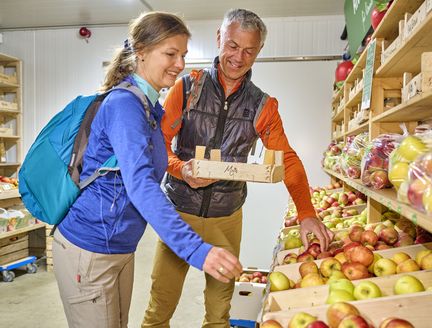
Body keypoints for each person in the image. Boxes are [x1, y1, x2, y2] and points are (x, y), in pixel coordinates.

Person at [142, 8, 334, 328]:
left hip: (227, 217)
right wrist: (181, 169)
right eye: (232, 45)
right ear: (219, 39)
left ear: (258, 51)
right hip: (179, 213)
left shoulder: (262, 105)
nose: (238, 57)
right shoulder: (187, 89)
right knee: (161, 303)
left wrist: (306, 212)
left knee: (219, 310)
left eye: (248, 50)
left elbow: (286, 158)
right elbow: (158, 145)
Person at [51, 11, 242, 328]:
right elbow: (141, 185)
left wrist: (184, 170)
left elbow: (147, 175)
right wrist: (195, 249)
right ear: (140, 52)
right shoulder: (125, 106)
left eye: (182, 54)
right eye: (170, 53)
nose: (180, 64)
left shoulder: (148, 107)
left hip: (119, 248)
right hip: (89, 249)